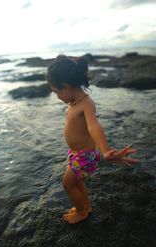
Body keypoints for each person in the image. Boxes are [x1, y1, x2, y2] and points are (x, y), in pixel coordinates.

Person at [47, 55, 139, 224]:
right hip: (76, 153)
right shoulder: (75, 101)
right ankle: (86, 207)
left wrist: (105, 150)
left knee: (67, 184)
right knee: (77, 182)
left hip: (83, 155)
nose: (57, 96)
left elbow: (93, 126)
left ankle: (81, 212)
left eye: (56, 91)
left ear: (66, 86)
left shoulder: (86, 104)